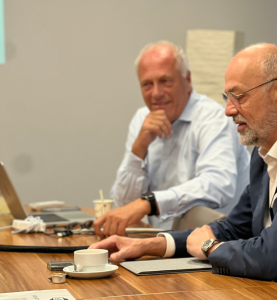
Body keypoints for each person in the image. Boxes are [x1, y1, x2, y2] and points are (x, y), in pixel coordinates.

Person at [90, 43, 277, 300]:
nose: (228, 110)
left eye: (239, 97)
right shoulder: (265, 152)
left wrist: (208, 247)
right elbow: (233, 228)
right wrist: (150, 245)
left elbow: (273, 256)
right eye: (227, 98)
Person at [93, 41, 250, 236]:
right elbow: (123, 206)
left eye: (165, 81)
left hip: (216, 246)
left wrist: (150, 203)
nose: (157, 93)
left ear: (188, 79)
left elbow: (218, 185)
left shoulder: (214, 118)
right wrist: (139, 148)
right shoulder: (142, 119)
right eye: (147, 84)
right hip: (158, 241)